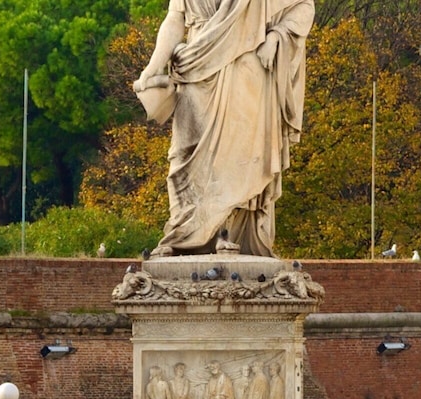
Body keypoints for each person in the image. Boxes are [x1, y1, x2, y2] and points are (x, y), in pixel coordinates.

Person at [133, 0, 316, 257]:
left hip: (244, 66)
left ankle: (224, 234)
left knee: (234, 158)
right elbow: (175, 19)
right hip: (195, 64)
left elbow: (304, 6)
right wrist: (153, 67)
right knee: (182, 155)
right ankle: (183, 235)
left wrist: (276, 35)